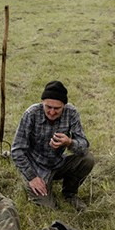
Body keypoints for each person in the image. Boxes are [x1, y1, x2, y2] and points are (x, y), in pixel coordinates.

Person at [11, 80, 95, 211]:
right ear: (42, 103)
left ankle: (69, 193)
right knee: (49, 208)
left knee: (87, 159)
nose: (51, 112)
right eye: (48, 107)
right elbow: (17, 150)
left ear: (64, 106)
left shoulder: (71, 113)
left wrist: (69, 142)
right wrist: (32, 177)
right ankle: (33, 183)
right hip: (36, 167)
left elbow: (84, 145)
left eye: (57, 108)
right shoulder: (31, 114)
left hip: (58, 163)